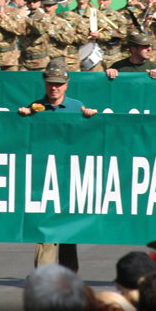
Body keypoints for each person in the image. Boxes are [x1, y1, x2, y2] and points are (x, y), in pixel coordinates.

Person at [18, 58, 96, 273]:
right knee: (45, 229)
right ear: (44, 83)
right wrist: (22, 117)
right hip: (43, 178)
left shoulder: (76, 107)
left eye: (59, 83)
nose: (54, 87)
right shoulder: (35, 107)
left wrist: (90, 119)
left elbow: (88, 140)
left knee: (69, 230)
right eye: (51, 83)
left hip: (69, 178)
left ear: (66, 84)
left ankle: (68, 275)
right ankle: (45, 276)